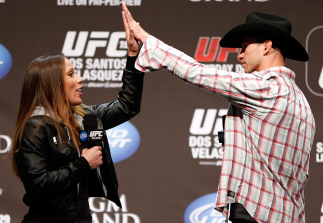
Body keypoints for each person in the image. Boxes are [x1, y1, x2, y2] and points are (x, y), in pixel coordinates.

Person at [121, 3, 315, 223]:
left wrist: (146, 38)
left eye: (244, 46)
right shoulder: (303, 102)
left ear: (266, 46)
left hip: (256, 215)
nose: (239, 55)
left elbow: (196, 73)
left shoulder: (265, 88)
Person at [11, 17, 144, 223]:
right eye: (71, 74)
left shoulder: (84, 116)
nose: (80, 79)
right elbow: (38, 185)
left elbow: (128, 105)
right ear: (52, 84)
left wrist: (133, 55)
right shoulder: (36, 127)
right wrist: (83, 163)